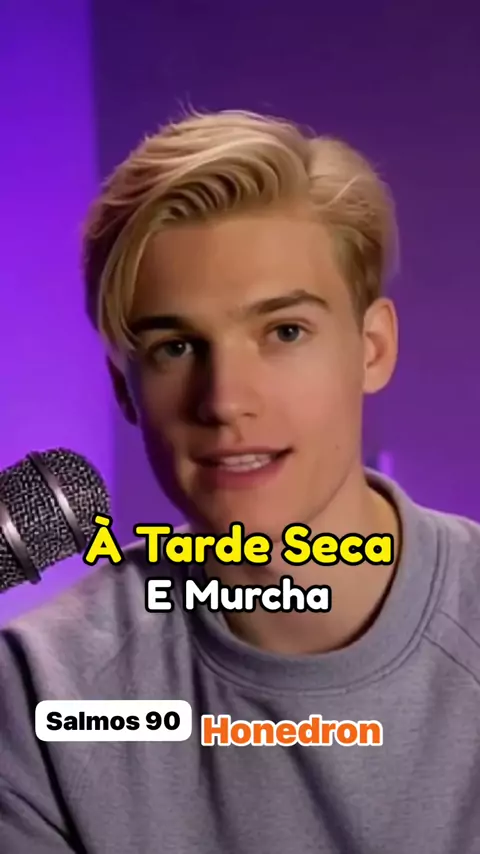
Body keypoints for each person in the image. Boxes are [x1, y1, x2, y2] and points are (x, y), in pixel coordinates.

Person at [0, 109, 479, 854]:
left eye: (284, 332)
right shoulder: (43, 696)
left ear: (372, 348)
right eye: (175, 347)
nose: (224, 400)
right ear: (124, 388)